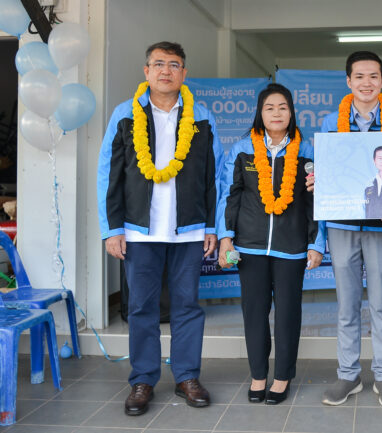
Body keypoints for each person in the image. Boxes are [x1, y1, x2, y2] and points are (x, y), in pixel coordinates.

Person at [97, 41, 222, 415]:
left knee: (187, 306)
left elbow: (212, 176)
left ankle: (187, 377)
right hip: (139, 231)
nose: (166, 70)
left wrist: (212, 226)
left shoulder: (201, 117)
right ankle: (143, 380)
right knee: (141, 308)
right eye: (159, 64)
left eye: (174, 64)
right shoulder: (125, 114)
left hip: (189, 229)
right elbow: (109, 174)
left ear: (184, 73)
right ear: (146, 71)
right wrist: (111, 228)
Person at [308, 51, 382, 408]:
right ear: (348, 81)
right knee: (346, 305)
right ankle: (348, 375)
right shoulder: (329, 122)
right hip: (341, 224)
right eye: (359, 76)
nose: (367, 83)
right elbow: (323, 170)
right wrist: (317, 180)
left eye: (373, 76)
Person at [217, 83, 325, 405]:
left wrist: (316, 243)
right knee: (254, 313)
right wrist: (225, 238)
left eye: (283, 107)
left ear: (291, 113)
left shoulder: (307, 152)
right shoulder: (242, 150)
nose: (276, 113)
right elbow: (229, 196)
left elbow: (317, 202)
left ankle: (282, 377)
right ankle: (258, 375)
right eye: (269, 107)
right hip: (249, 248)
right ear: (260, 113)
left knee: (288, 314)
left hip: (292, 248)